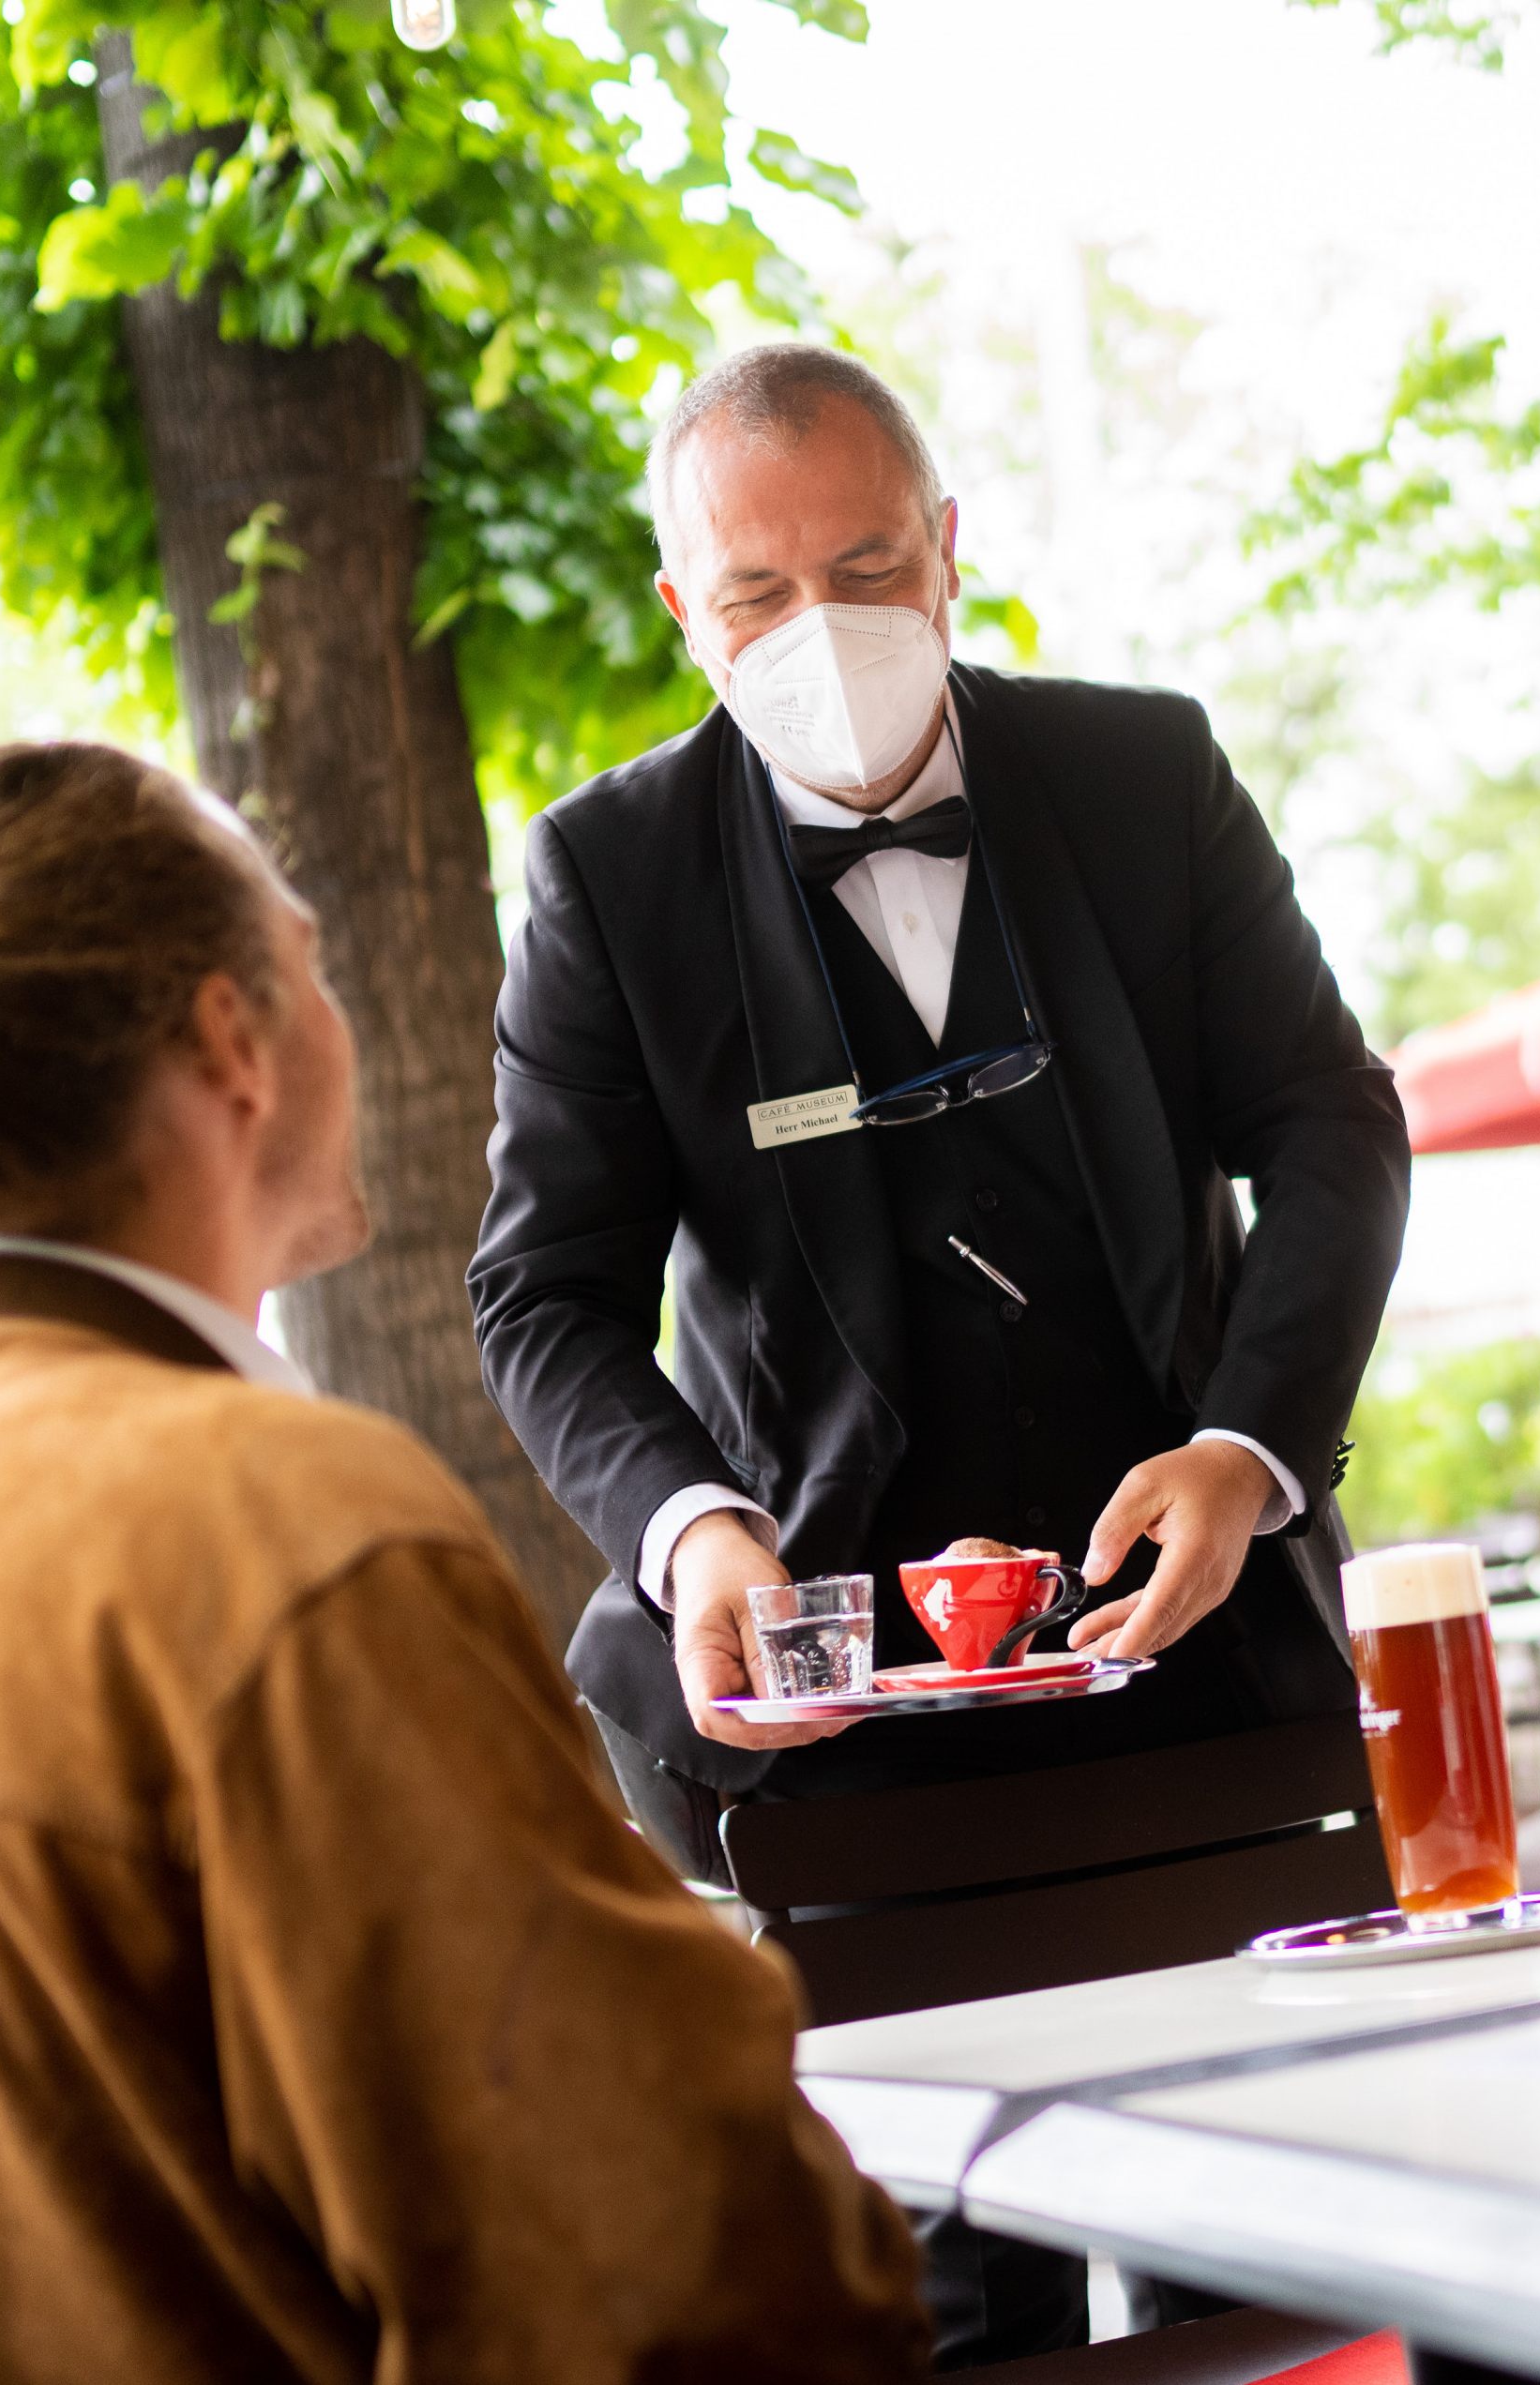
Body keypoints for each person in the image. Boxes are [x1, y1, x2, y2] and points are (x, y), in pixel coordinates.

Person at [0, 742, 927, 2385]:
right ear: (231, 1040)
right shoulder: (281, 1529)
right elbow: (691, 2282)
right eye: (311, 963)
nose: (342, 1018)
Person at [467, 347, 1410, 2363]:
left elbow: (1334, 1126)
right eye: (757, 594)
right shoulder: (609, 878)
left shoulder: (1145, 776)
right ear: (687, 614)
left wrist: (1250, 1448)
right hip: (844, 1736)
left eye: (869, 567)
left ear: (950, 550)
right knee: (949, 2314)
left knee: (1287, 2269)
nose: (820, 628)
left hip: (1198, 1679)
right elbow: (540, 1293)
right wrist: (694, 1534)